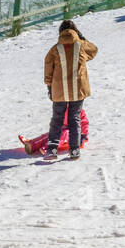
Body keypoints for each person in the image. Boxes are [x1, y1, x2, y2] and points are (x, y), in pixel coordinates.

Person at [43, 20, 98, 160]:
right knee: (75, 119)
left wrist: (49, 86)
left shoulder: (55, 49)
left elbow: (48, 67)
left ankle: (52, 150)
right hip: (78, 89)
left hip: (59, 90)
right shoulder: (81, 45)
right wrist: (81, 37)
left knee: (57, 119)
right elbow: (94, 50)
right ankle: (74, 150)